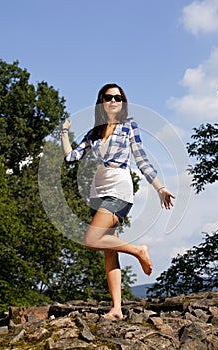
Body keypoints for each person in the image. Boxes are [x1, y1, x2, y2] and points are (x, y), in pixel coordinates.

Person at [61, 83, 175, 319]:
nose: (113, 100)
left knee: (92, 238)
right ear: (101, 102)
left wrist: (160, 188)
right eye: (108, 97)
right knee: (108, 250)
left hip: (119, 189)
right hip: (98, 191)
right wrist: (63, 133)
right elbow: (71, 158)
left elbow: (142, 160)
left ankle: (138, 250)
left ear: (123, 102)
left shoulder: (128, 126)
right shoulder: (94, 133)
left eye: (118, 97)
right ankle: (117, 308)